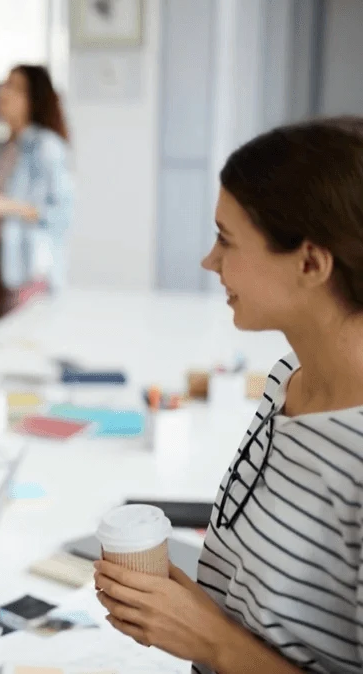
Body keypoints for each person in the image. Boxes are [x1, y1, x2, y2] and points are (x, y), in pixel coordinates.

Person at [95, 117, 363, 673]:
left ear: (310, 263)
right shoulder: (289, 376)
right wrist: (189, 608)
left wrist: (209, 640)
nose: (208, 260)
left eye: (226, 239)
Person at [0, 65, 73, 318]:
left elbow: (60, 213)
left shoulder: (47, 146)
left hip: (30, 271)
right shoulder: (8, 147)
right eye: (5, 84)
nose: (2, 93)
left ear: (34, 99)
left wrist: (5, 207)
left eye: (14, 87)